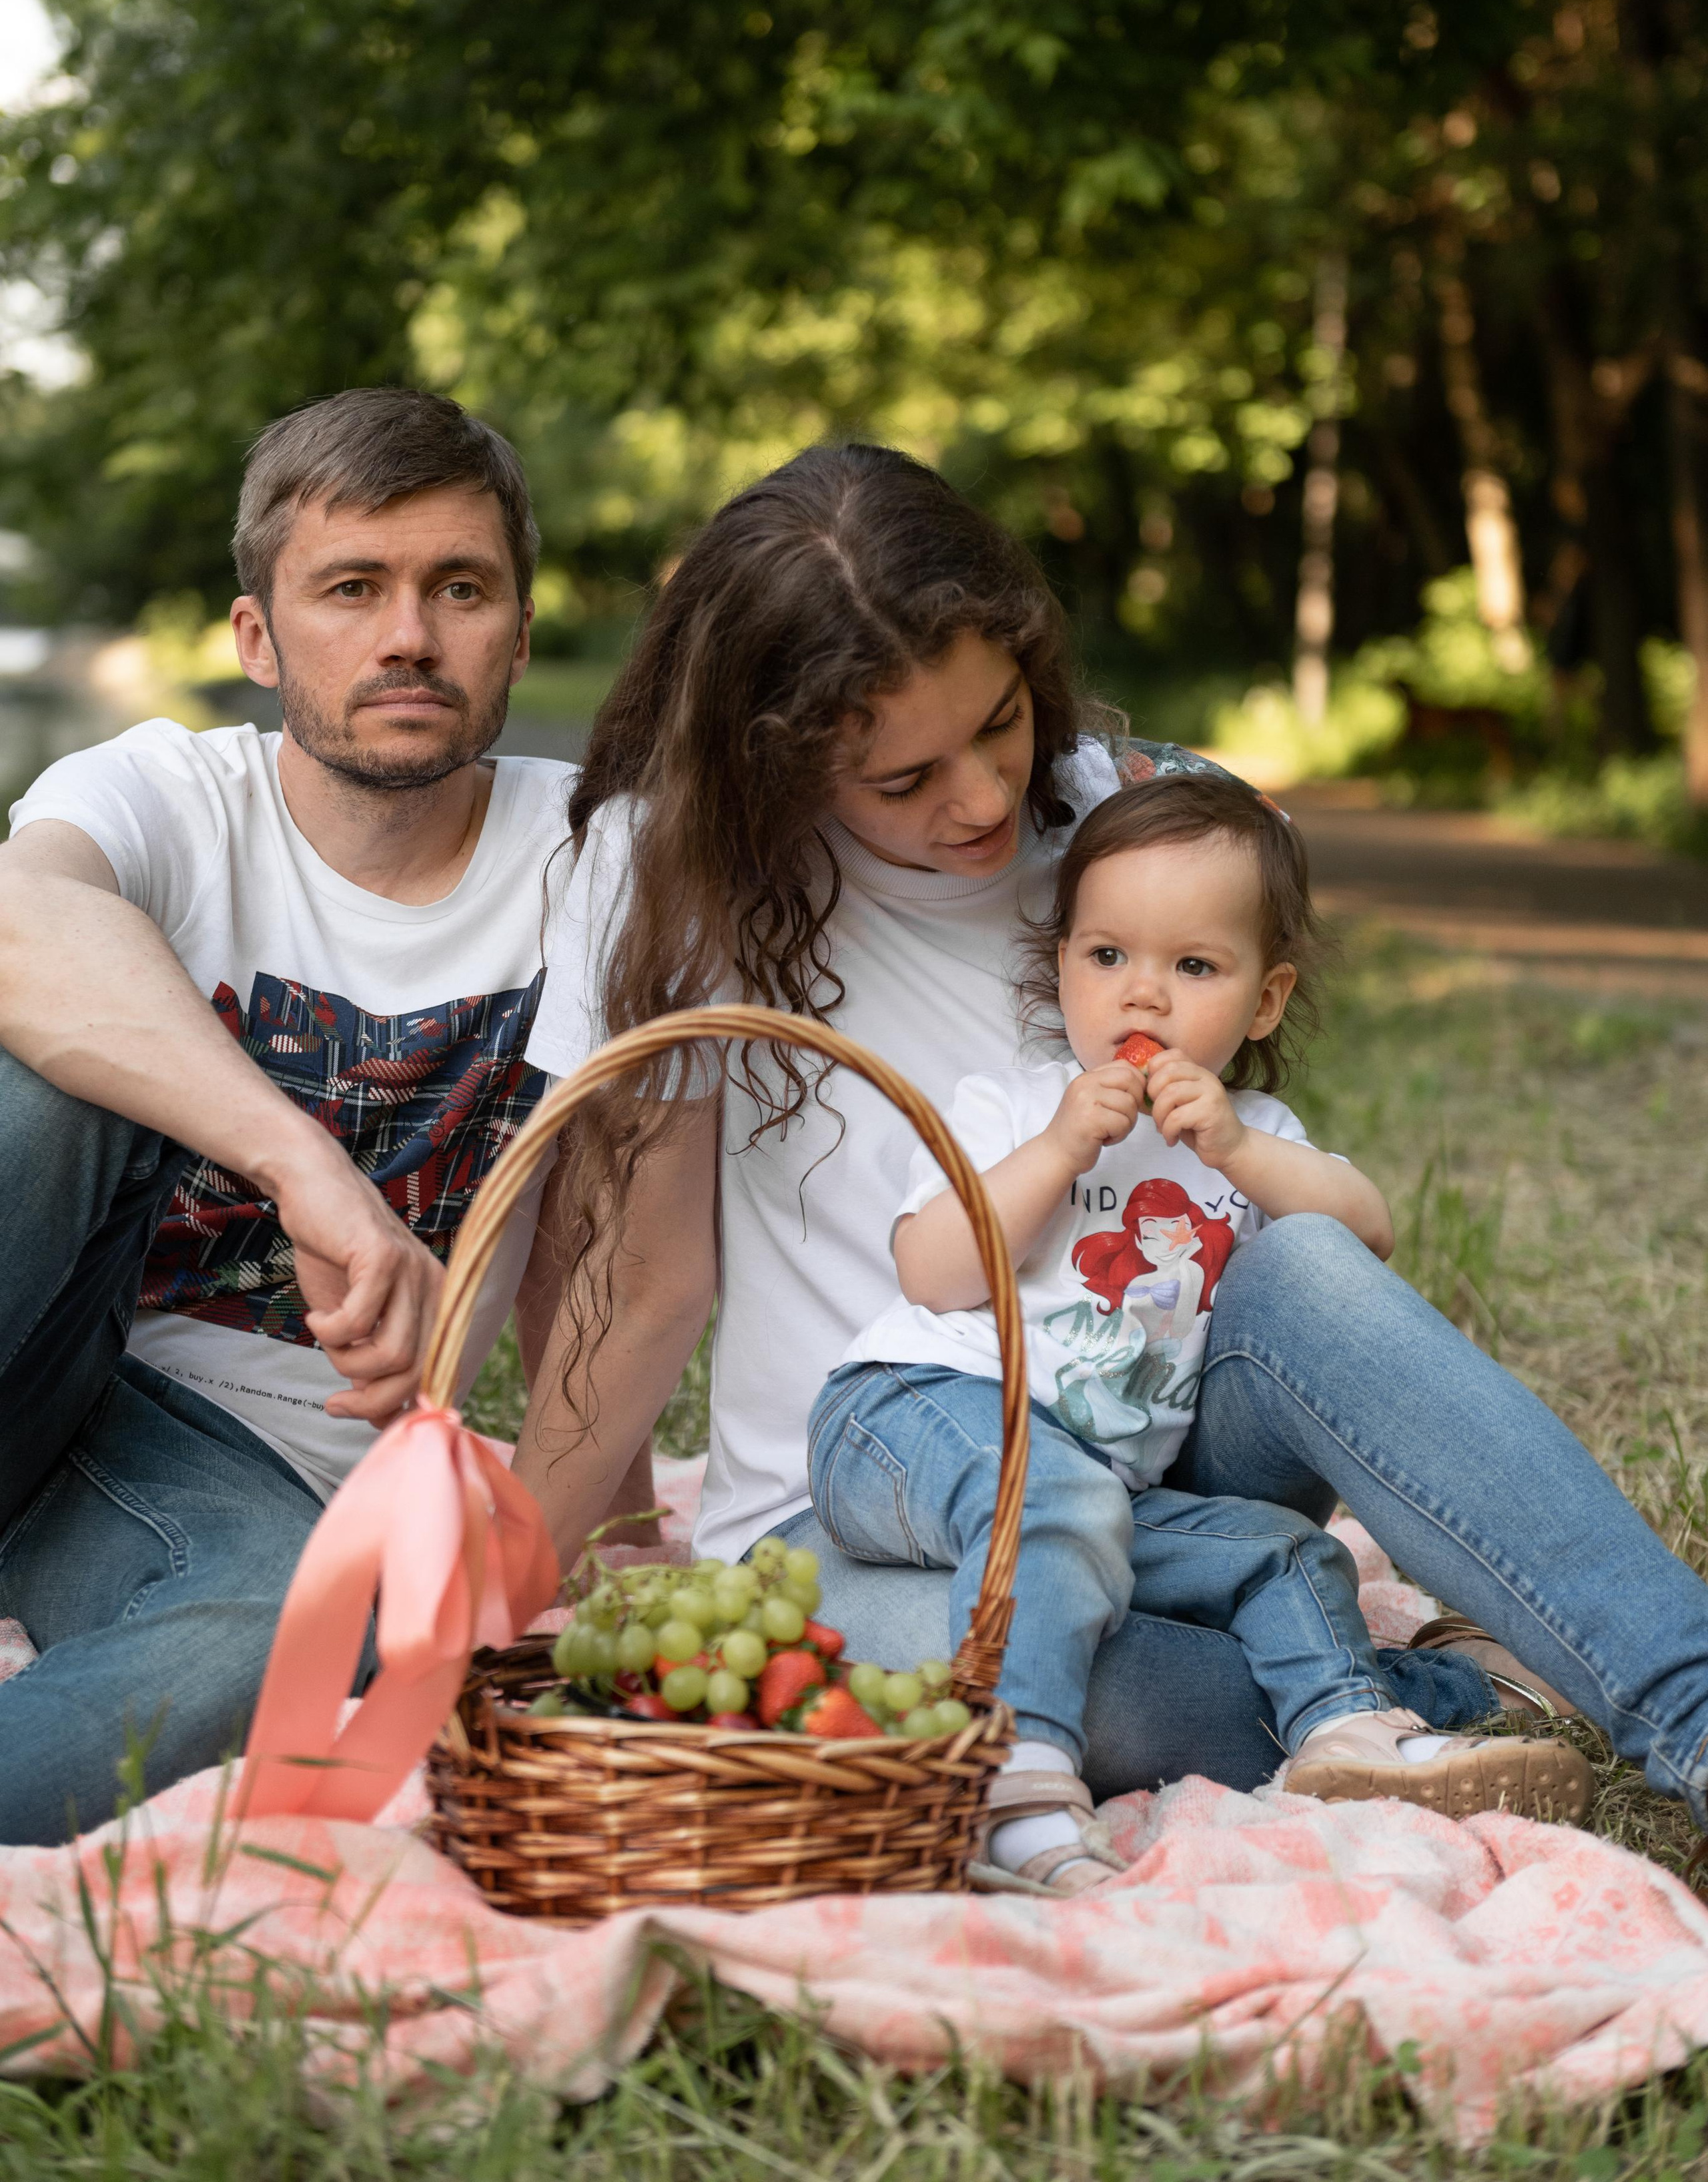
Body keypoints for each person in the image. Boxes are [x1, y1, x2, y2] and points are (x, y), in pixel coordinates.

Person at [519, 439, 1708, 1819]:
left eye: (998, 723)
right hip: (869, 1494)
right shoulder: (667, 872)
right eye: (901, 781)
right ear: (766, 763)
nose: (975, 798)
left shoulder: (1116, 815)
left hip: (1155, 1441)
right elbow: (643, 1278)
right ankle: (1427, 1694)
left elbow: (1263, 1124)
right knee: (1048, 1688)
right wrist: (521, 1591)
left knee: (1308, 1261)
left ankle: (1685, 1703)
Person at [810, 775, 1589, 1892]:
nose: (1146, 997)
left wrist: (1233, 1149)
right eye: (1108, 956)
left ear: (1265, 1001)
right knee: (1058, 1498)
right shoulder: (1015, 1103)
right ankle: (1016, 1777)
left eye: (1195, 967)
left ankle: (1350, 1736)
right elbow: (930, 1269)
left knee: (1285, 1550)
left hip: (1098, 1491)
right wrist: (1057, 1153)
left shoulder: (1254, 1135)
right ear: (1062, 964)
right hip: (909, 1413)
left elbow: (1363, 1233)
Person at [0, 386, 567, 1843]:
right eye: (352, 589)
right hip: (45, 1338)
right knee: (48, 1069)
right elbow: (17, 917)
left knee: (272, 1642)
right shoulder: (167, 792)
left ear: (517, 625)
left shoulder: (592, 853)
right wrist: (302, 1164)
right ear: (257, 638)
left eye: (460, 588)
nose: (407, 638)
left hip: (211, 1468)